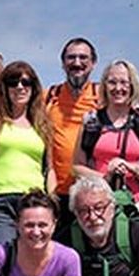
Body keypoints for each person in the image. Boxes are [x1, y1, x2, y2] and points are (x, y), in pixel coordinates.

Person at [72, 59, 139, 226]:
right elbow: (77, 166)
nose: (118, 88)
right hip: (96, 204)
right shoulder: (91, 120)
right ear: (104, 86)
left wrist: (129, 167)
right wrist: (105, 177)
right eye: (112, 82)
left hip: (135, 201)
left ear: (133, 86)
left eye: (124, 82)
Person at [0, 61, 53, 249]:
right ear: (4, 87)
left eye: (26, 82)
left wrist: (51, 200)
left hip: (34, 200)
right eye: (13, 82)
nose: (19, 87)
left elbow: (50, 168)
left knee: (33, 259)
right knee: (2, 256)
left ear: (33, 87)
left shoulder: (43, 123)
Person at [46, 37, 101, 227]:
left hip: (91, 192)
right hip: (57, 192)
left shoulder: (102, 96)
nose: (77, 63)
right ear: (63, 63)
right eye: (71, 58)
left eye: (83, 58)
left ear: (93, 63)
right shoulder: (49, 96)